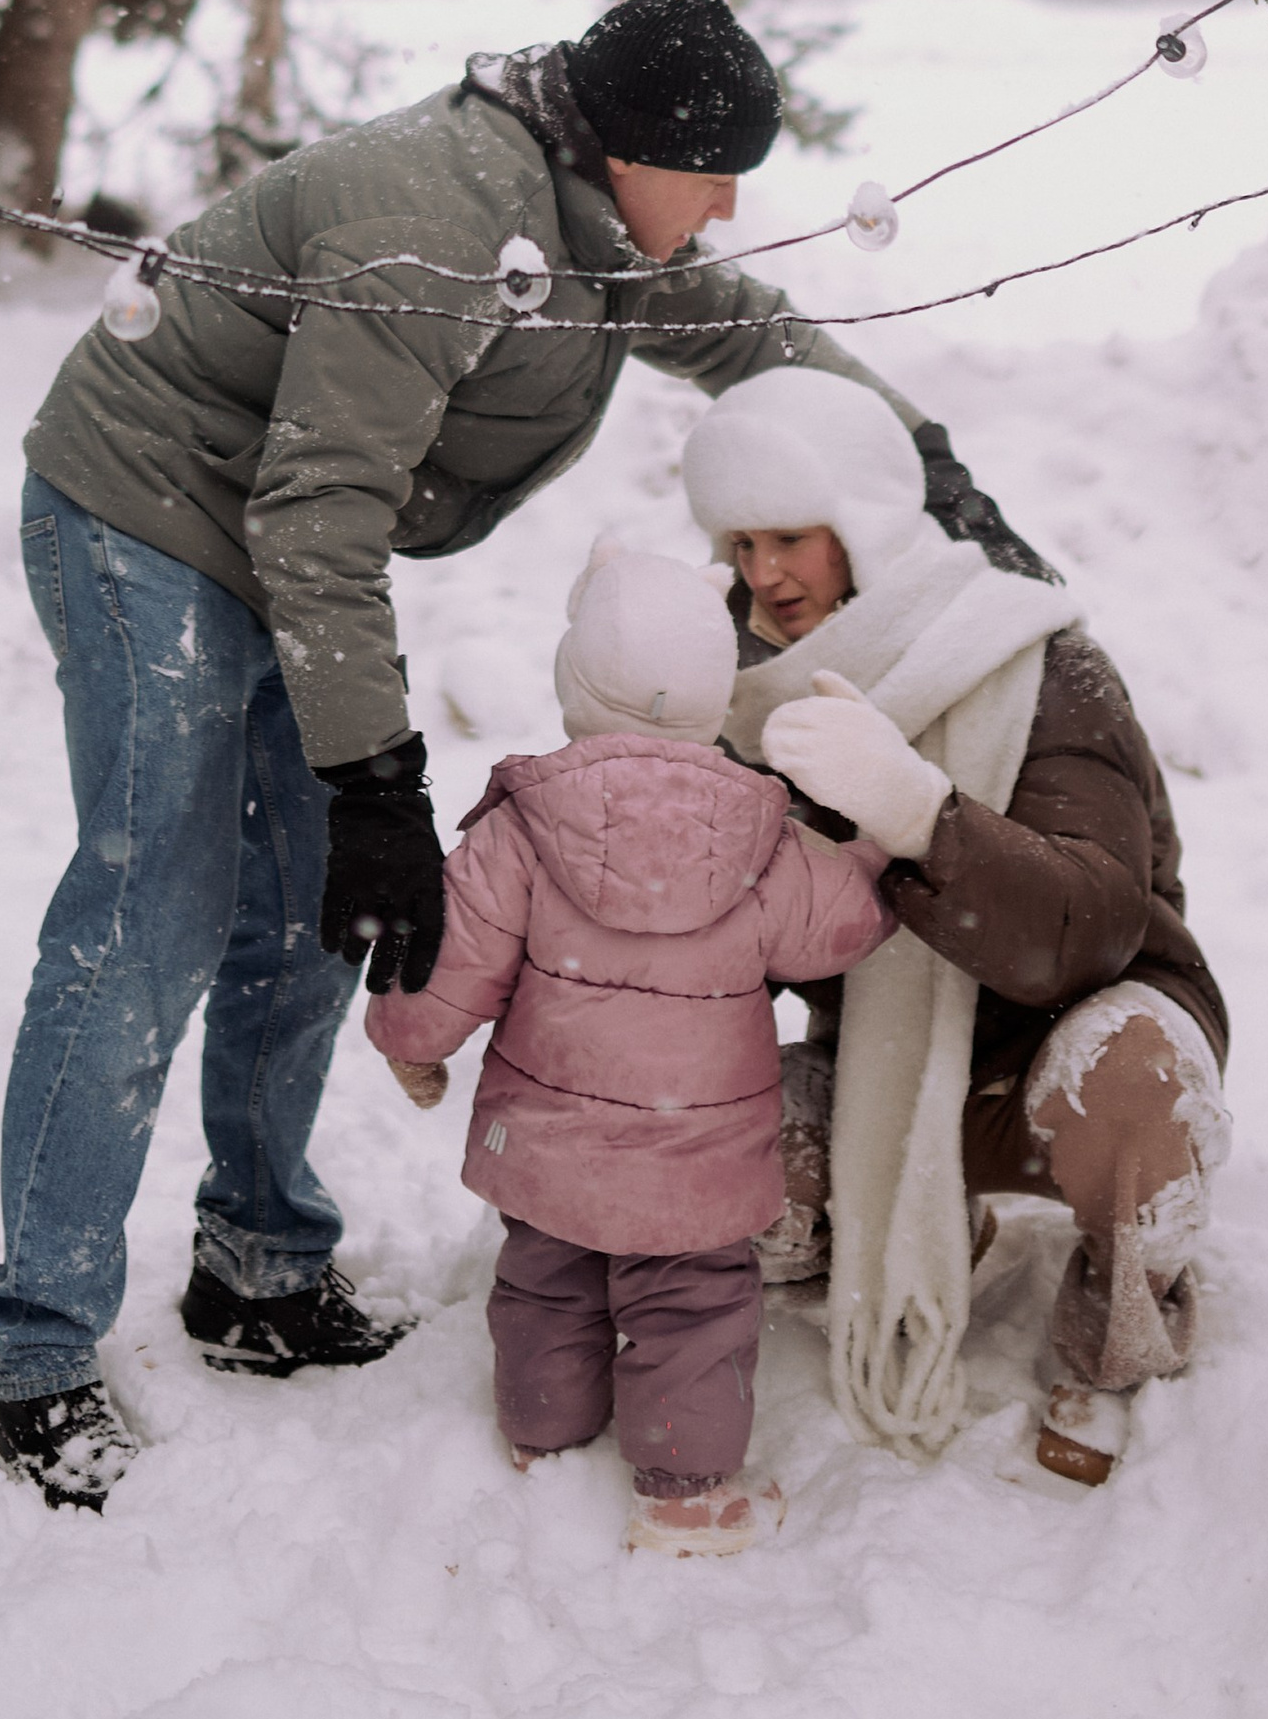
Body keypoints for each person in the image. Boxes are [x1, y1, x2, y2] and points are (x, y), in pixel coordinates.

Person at [0, 0, 1050, 1511]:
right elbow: (318, 508)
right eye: (714, 170)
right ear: (627, 146)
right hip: (145, 508)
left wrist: (928, 471)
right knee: (151, 917)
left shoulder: (596, 230)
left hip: (266, 528)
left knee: (306, 920)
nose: (729, 204)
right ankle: (29, 1360)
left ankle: (257, 1271)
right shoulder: (445, 219)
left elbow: (757, 336)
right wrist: (381, 779)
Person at [679, 366, 1229, 1489]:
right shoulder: (748, 692)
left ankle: (1111, 1328)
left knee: (1128, 1082)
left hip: (1060, 1041)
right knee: (732, 1164)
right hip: (879, 1062)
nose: (764, 573)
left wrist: (924, 817)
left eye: (790, 533)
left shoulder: (1036, 659)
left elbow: (1092, 925)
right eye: (739, 543)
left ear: (866, 522)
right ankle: (922, 1221)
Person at [365, 537, 894, 1555]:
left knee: (543, 1277)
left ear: (573, 680)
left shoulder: (516, 827)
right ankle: (686, 1490)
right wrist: (880, 839)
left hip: (551, 1146)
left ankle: (543, 1425)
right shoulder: (766, 838)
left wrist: (408, 1036)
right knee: (694, 1303)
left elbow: (447, 954)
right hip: (694, 1158)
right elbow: (844, 921)